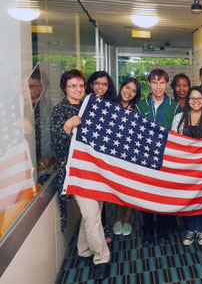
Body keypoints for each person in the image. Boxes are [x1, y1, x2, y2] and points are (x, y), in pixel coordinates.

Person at [50, 69, 110, 280]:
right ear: (64, 88)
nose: (77, 90)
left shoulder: (90, 107)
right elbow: (56, 146)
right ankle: (102, 258)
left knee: (92, 213)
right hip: (76, 172)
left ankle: (84, 250)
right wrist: (68, 125)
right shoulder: (59, 111)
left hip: (96, 169)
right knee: (92, 215)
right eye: (72, 86)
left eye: (80, 86)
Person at [135, 69, 182, 246]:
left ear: (166, 84)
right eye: (154, 83)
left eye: (161, 83)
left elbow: (177, 133)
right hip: (145, 156)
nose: (158, 87)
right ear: (149, 83)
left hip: (166, 157)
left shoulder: (175, 105)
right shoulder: (141, 105)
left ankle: (162, 228)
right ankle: (147, 228)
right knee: (146, 194)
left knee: (163, 193)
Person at [171, 86, 202, 246]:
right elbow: (174, 141)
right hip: (186, 167)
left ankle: (200, 229)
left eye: (199, 98)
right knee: (190, 199)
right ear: (188, 101)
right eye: (192, 98)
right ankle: (192, 229)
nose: (195, 101)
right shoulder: (179, 118)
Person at [85, 70, 116, 243]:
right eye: (97, 83)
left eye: (104, 84)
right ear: (91, 85)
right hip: (88, 157)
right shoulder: (84, 104)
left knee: (102, 194)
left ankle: (103, 226)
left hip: (104, 157)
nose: (100, 87)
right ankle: (98, 231)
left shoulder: (111, 105)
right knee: (93, 196)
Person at [112, 78, 141, 237]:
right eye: (127, 87)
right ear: (121, 87)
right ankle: (116, 218)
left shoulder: (137, 109)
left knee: (130, 188)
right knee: (117, 187)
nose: (129, 92)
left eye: (133, 91)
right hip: (113, 153)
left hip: (131, 154)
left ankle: (127, 219)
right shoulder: (109, 105)